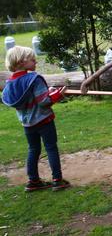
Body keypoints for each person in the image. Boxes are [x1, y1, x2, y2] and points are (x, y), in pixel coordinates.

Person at [2, 46, 71, 192]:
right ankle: (57, 180)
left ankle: (33, 181)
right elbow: (44, 102)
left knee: (33, 149)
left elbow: (24, 100)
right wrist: (57, 95)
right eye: (32, 59)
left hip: (27, 125)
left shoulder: (10, 84)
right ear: (21, 62)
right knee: (51, 148)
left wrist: (48, 92)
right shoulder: (34, 79)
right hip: (44, 121)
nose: (35, 62)